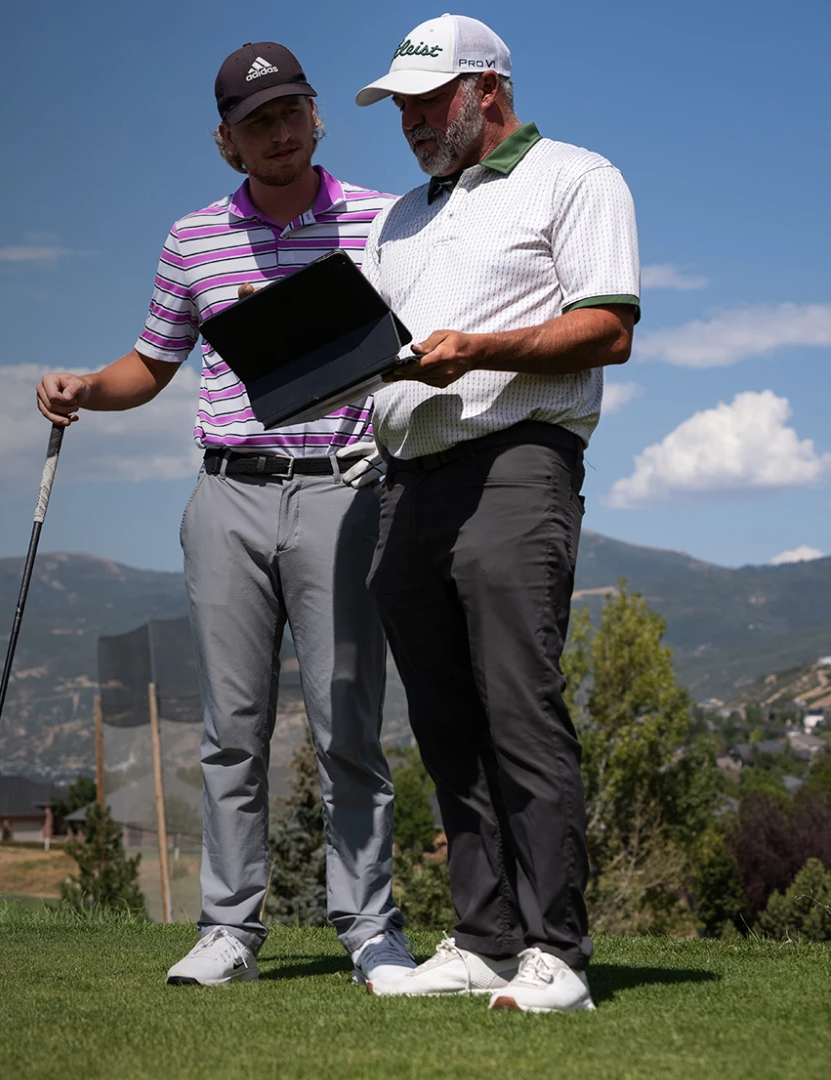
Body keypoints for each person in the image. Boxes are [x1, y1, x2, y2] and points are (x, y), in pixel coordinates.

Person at [35, 42, 415, 989]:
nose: (279, 133)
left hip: (345, 485)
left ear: (317, 115)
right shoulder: (192, 238)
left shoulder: (384, 221)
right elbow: (151, 364)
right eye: (257, 122)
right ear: (226, 140)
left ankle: (370, 928)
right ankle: (228, 933)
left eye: (292, 112)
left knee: (347, 725)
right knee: (231, 728)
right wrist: (87, 385)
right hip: (227, 495)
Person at [351, 14, 639, 1013]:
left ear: (489, 91)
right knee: (443, 719)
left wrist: (478, 348)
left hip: (520, 459)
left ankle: (557, 953)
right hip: (410, 477)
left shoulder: (576, 177)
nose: (412, 121)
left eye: (429, 100)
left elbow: (607, 327)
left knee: (518, 703)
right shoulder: (398, 219)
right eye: (401, 107)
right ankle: (483, 937)